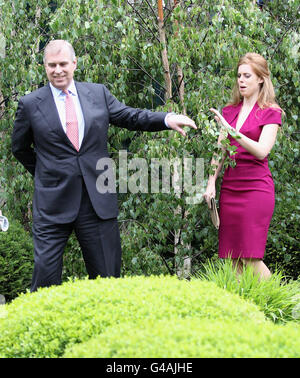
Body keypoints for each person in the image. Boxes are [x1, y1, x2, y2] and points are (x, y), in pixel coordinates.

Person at [12, 40, 197, 291]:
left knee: (107, 282)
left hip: (96, 200)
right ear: (44, 66)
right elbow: (20, 149)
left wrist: (165, 118)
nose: (58, 70)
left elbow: (129, 116)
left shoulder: (97, 93)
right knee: (44, 279)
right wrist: (46, 174)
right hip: (52, 204)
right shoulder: (30, 104)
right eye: (52, 65)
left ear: (74, 64)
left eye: (63, 64)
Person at [203, 52, 282, 280]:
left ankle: (281, 305)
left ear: (260, 79)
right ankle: (248, 309)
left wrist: (232, 132)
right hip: (231, 188)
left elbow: (261, 150)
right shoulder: (230, 111)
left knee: (250, 257)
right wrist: (211, 184)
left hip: (257, 188)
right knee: (233, 257)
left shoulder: (270, 112)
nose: (241, 80)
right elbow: (220, 151)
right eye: (239, 75)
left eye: (247, 75)